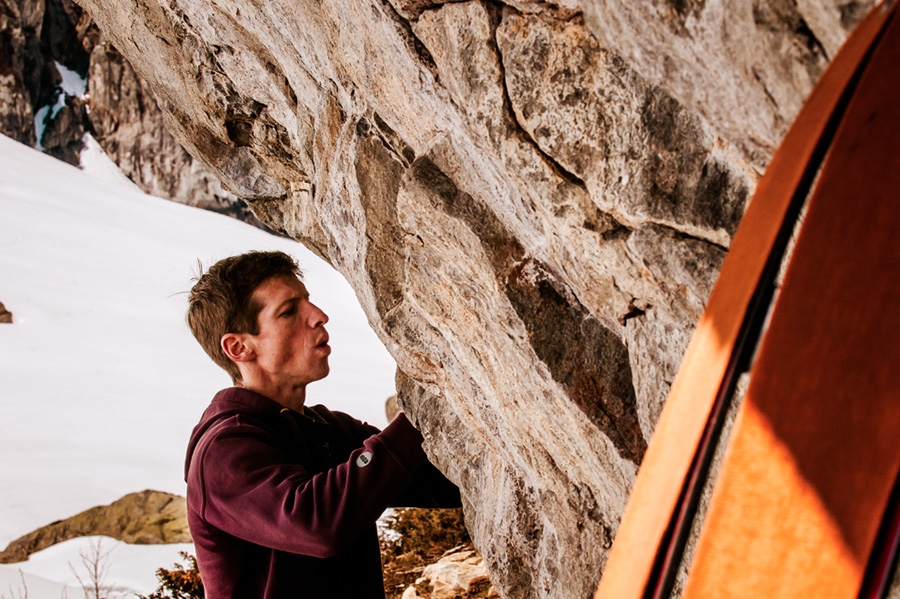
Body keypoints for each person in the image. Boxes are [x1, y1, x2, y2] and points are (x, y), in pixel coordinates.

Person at [184, 250, 461, 599]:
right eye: (288, 312)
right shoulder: (223, 451)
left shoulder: (325, 428)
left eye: (308, 302)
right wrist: (419, 414)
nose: (319, 316)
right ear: (239, 347)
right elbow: (318, 525)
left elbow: (439, 481)